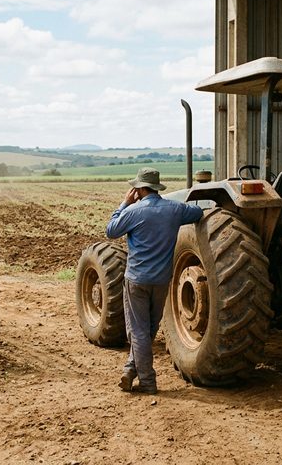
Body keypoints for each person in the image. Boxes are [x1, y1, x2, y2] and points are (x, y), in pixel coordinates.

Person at [106, 167, 203, 394]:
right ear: (157, 187)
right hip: (161, 281)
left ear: (139, 189)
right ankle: (131, 369)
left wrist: (124, 204)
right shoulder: (175, 209)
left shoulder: (133, 211)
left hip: (137, 280)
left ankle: (148, 381)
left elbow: (111, 231)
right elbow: (197, 213)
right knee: (149, 328)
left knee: (138, 332)